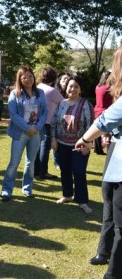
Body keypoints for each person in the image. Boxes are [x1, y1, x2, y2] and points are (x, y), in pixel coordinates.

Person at [75, 46, 122, 279]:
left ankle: (113, 270)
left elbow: (106, 118)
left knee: (120, 216)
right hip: (116, 153)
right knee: (109, 204)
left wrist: (85, 139)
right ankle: (104, 251)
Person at [1, 66, 48, 201]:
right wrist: (27, 128)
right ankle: (6, 190)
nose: (28, 79)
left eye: (30, 76)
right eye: (24, 77)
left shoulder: (40, 93)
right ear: (20, 79)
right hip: (20, 133)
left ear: (34, 77)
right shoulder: (15, 94)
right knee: (14, 163)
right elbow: (13, 115)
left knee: (30, 163)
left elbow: (45, 112)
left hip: (36, 133)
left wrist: (37, 127)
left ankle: (27, 189)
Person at [51, 75, 94, 213]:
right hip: (61, 144)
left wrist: (88, 144)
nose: (73, 89)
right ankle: (67, 195)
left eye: (76, 86)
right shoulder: (61, 104)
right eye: (70, 86)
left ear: (80, 89)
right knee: (65, 171)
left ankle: (82, 201)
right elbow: (53, 123)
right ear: (66, 88)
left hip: (79, 146)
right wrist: (53, 139)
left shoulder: (86, 104)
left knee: (79, 172)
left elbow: (91, 125)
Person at [34, 67, 64, 179]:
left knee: (37, 148)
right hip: (47, 122)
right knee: (45, 148)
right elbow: (63, 103)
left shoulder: (37, 88)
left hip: (36, 122)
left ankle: (36, 171)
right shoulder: (52, 91)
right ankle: (43, 172)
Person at [93, 71, 112, 155]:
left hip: (97, 110)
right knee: (108, 134)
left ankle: (97, 149)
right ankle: (108, 150)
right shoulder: (109, 87)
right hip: (105, 111)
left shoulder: (97, 86)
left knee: (97, 131)